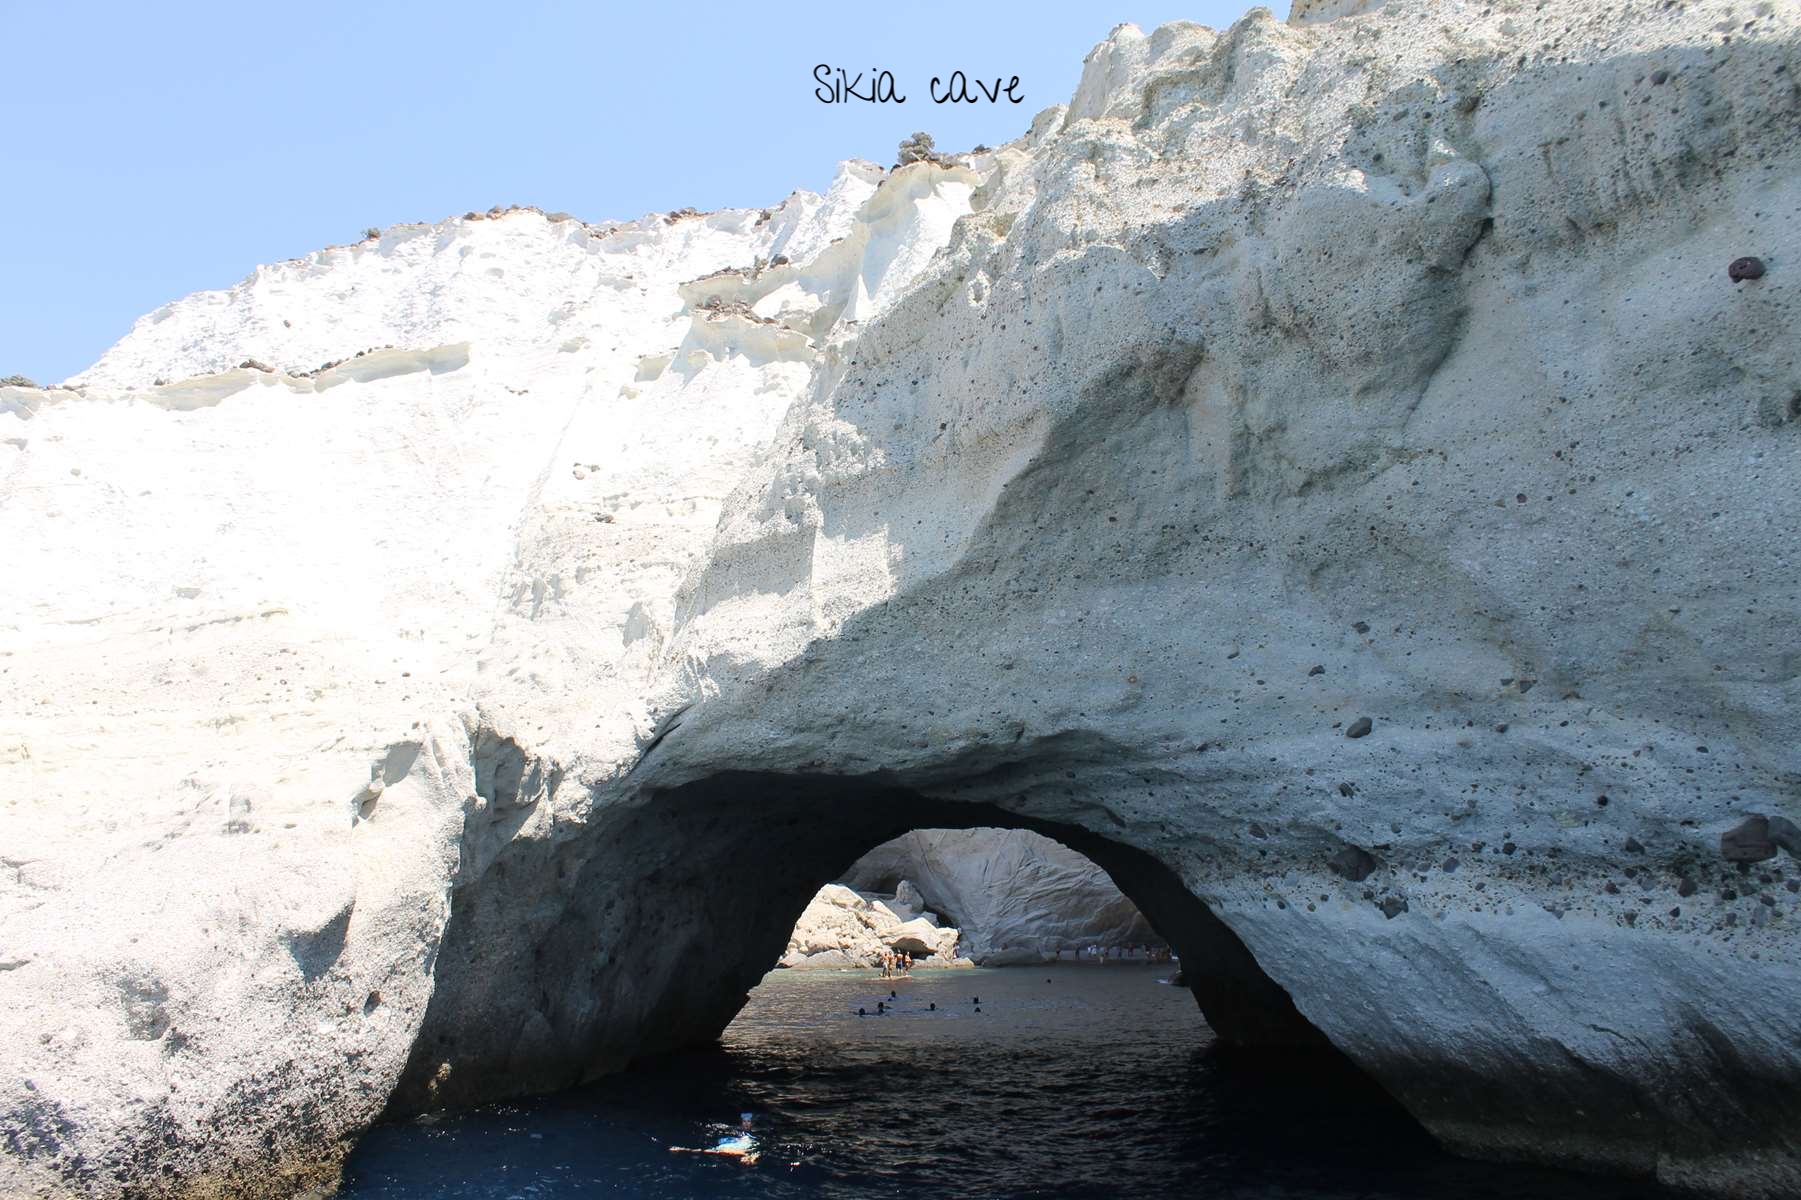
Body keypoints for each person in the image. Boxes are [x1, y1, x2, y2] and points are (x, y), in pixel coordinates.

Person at [669, 1112, 760, 1164]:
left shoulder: (727, 1150)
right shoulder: (738, 1149)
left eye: (748, 1121)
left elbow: (704, 1151)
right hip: (735, 1142)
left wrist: (682, 1149)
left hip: (730, 1144)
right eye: (744, 1121)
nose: (746, 1123)